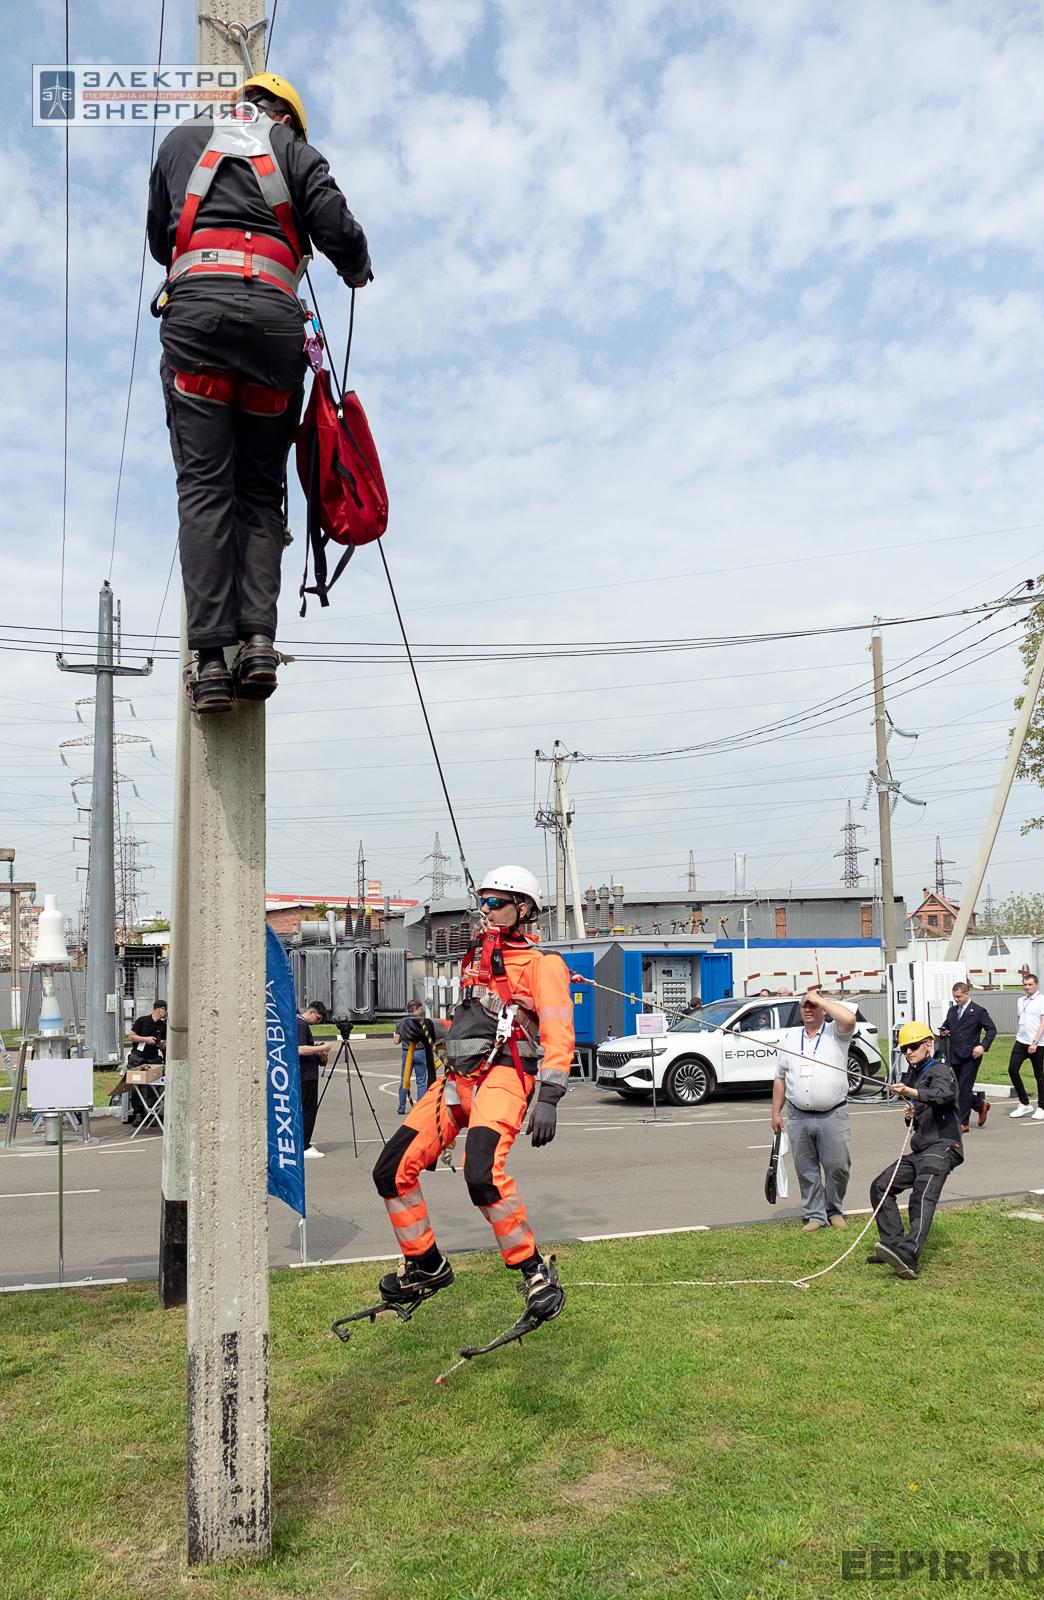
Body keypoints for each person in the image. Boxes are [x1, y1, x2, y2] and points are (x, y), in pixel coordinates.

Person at [147, 74, 372, 713]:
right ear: (288, 120)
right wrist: (356, 268)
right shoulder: (295, 153)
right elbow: (337, 226)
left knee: (204, 488)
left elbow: (162, 238)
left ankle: (211, 662)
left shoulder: (179, 142)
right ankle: (258, 643)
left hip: (197, 327)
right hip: (274, 332)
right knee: (258, 489)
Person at [372, 866, 574, 1325]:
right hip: (456, 1082)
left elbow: (559, 1031)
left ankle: (535, 1274)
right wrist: (430, 1028)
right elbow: (467, 1030)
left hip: (504, 1077)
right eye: (480, 903)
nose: (484, 911)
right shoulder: (472, 965)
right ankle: (426, 1264)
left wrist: (550, 1095)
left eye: (495, 903)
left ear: (523, 909)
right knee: (390, 1170)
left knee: (481, 1175)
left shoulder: (544, 966)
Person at [869, 1020, 963, 1278]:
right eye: (904, 1049)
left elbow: (943, 1095)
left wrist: (912, 1092)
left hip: (943, 1145)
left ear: (928, 1044)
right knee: (880, 1187)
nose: (909, 1052)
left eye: (913, 1046)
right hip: (921, 1148)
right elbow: (919, 1114)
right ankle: (893, 1246)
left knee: (921, 1196)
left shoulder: (941, 1069)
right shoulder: (914, 1073)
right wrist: (910, 1113)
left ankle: (909, 1255)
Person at [771, 986, 856, 1231]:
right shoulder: (790, 1038)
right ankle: (815, 1215)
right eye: (804, 1005)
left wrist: (819, 998)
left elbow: (849, 1018)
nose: (808, 1009)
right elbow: (780, 1077)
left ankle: (834, 1210)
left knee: (838, 1166)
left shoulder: (835, 1033)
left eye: (813, 1005)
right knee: (806, 1169)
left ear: (823, 1009)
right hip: (799, 1115)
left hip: (833, 1113)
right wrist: (776, 1112)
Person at [938, 980, 996, 1131]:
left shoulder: (978, 1011)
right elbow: (947, 1026)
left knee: (964, 1088)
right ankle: (980, 1104)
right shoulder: (952, 1011)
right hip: (955, 1054)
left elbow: (991, 1030)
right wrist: (944, 1031)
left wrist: (982, 1046)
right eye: (954, 997)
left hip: (971, 1055)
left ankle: (963, 1123)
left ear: (966, 994)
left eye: (959, 996)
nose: (956, 999)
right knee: (956, 1088)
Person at [1008, 972, 1044, 1120]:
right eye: (1025, 985)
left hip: (1036, 1044)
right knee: (1012, 1070)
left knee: (1038, 1075)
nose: (1027, 987)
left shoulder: (1043, 1000)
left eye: (1030, 984)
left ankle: (1042, 1107)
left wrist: (1035, 1042)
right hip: (1021, 1041)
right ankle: (1025, 1103)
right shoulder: (1021, 1001)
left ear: (1036, 985)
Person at [296, 1000, 329, 1159]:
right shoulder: (301, 1024)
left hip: (306, 1073)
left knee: (306, 1109)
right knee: (308, 1110)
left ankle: (302, 1142)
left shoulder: (300, 1023)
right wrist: (321, 1048)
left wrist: (316, 1051)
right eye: (319, 1018)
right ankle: (304, 1145)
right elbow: (300, 1049)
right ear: (311, 1013)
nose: (319, 1022)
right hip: (306, 1075)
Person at [393, 1000, 436, 1114]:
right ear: (415, 1009)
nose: (421, 1011)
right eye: (420, 1008)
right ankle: (420, 1108)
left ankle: (401, 1107)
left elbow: (396, 1041)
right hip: (421, 1052)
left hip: (407, 1053)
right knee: (421, 1081)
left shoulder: (401, 1022)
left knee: (404, 1080)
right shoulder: (423, 1022)